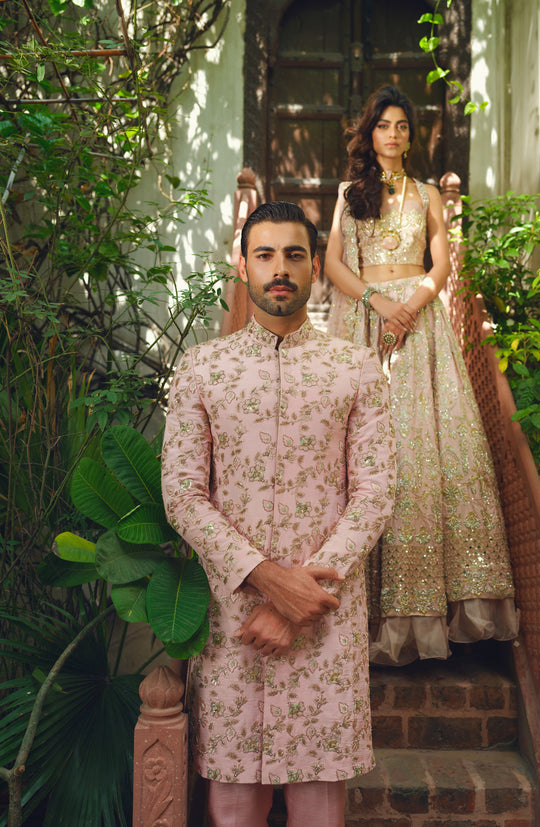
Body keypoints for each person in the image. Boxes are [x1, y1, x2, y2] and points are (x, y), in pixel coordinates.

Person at [161, 201, 396, 827]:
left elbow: (375, 491)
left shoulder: (355, 367)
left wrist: (301, 599)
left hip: (325, 617)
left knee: (320, 803)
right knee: (234, 804)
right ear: (242, 266)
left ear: (316, 266)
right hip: (235, 616)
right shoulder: (203, 368)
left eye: (294, 255)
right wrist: (269, 580)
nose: (280, 269)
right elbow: (182, 492)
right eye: (264, 255)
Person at [324, 85, 519, 667]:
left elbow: (441, 265)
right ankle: (362, 611)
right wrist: (380, 303)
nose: (393, 134)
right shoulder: (349, 194)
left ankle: (429, 609)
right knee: (366, 450)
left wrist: (410, 306)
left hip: (420, 326)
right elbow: (332, 263)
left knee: (424, 451)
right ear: (370, 133)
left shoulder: (428, 194)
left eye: (402, 126)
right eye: (383, 125)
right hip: (366, 320)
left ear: (411, 136)